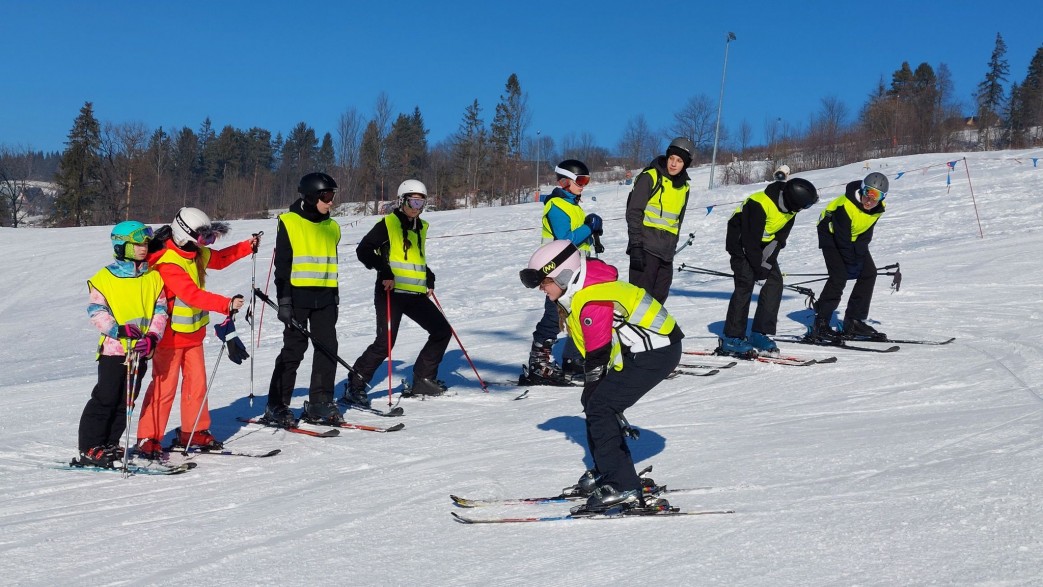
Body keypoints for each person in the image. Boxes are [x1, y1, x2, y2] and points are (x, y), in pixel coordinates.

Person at [520, 240, 684, 512]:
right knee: (595, 403)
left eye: (544, 281)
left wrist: (594, 387)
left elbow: (598, 352)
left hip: (657, 351)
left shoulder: (592, 297)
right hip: (642, 351)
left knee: (600, 406)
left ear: (562, 274)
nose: (541, 288)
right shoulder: (581, 291)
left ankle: (622, 485)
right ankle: (609, 471)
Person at [135, 207, 258, 458]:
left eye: (209, 237)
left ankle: (194, 431)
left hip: (193, 335)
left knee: (196, 386)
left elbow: (220, 259)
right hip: (168, 338)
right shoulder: (168, 262)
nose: (207, 243)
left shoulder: (194, 252)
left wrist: (247, 246)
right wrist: (225, 304)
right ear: (184, 234)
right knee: (163, 388)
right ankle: (149, 436)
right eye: (204, 238)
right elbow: (192, 294)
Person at [343, 179, 452, 401]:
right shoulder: (388, 224)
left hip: (415, 293)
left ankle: (423, 380)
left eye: (421, 203)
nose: (416, 207)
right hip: (390, 292)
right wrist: (384, 271)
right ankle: (355, 385)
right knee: (385, 343)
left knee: (442, 331)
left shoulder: (421, 227)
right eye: (413, 202)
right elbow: (363, 250)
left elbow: (414, 258)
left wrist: (428, 275)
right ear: (402, 201)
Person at [73, 221, 168, 468]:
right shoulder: (104, 278)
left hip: (141, 351)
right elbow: (96, 311)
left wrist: (152, 337)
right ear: (121, 245)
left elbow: (161, 312)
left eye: (145, 243)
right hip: (114, 351)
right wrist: (117, 330)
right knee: (106, 397)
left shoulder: (153, 278)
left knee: (127, 400)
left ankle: (110, 442)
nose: (143, 248)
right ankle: (90, 446)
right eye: (137, 244)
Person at [263, 172, 344, 428]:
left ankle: (320, 402)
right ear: (311, 197)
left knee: (328, 348)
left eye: (333, 195)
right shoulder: (289, 222)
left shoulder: (333, 227)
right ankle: (277, 404)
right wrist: (284, 301)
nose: (331, 201)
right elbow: (282, 266)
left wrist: (334, 296)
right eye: (327, 196)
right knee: (293, 350)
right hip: (297, 297)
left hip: (326, 298)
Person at [522, 159, 603, 386]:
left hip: (576, 267)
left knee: (577, 312)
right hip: (557, 269)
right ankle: (539, 362)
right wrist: (589, 227)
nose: (584, 185)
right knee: (554, 314)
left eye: (586, 180)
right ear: (565, 182)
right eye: (580, 180)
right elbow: (566, 241)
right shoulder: (557, 205)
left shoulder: (573, 204)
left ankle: (573, 358)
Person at [721, 177, 819, 356]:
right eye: (804, 206)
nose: (804, 210)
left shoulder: (790, 210)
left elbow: (778, 240)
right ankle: (732, 338)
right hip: (740, 242)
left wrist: (765, 268)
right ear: (794, 201)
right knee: (745, 282)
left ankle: (759, 333)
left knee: (774, 282)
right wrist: (758, 271)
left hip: (762, 245)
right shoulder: (759, 204)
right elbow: (748, 243)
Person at [808, 172, 889, 342]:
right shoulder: (845, 206)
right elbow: (841, 239)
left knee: (869, 273)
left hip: (854, 237)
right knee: (839, 276)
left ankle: (854, 321)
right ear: (862, 189)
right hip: (830, 236)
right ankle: (820, 323)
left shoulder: (878, 208)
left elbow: (866, 234)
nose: (870, 200)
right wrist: (851, 263)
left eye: (877, 196)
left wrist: (859, 260)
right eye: (868, 193)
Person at [625, 137, 694, 303]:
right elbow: (633, 212)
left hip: (666, 255)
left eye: (679, 161)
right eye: (671, 158)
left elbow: (678, 222)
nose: (673, 164)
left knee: (658, 303)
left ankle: (649, 330)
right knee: (640, 302)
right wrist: (635, 246)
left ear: (685, 164)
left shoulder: (684, 187)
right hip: (645, 249)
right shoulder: (651, 177)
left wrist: (671, 249)